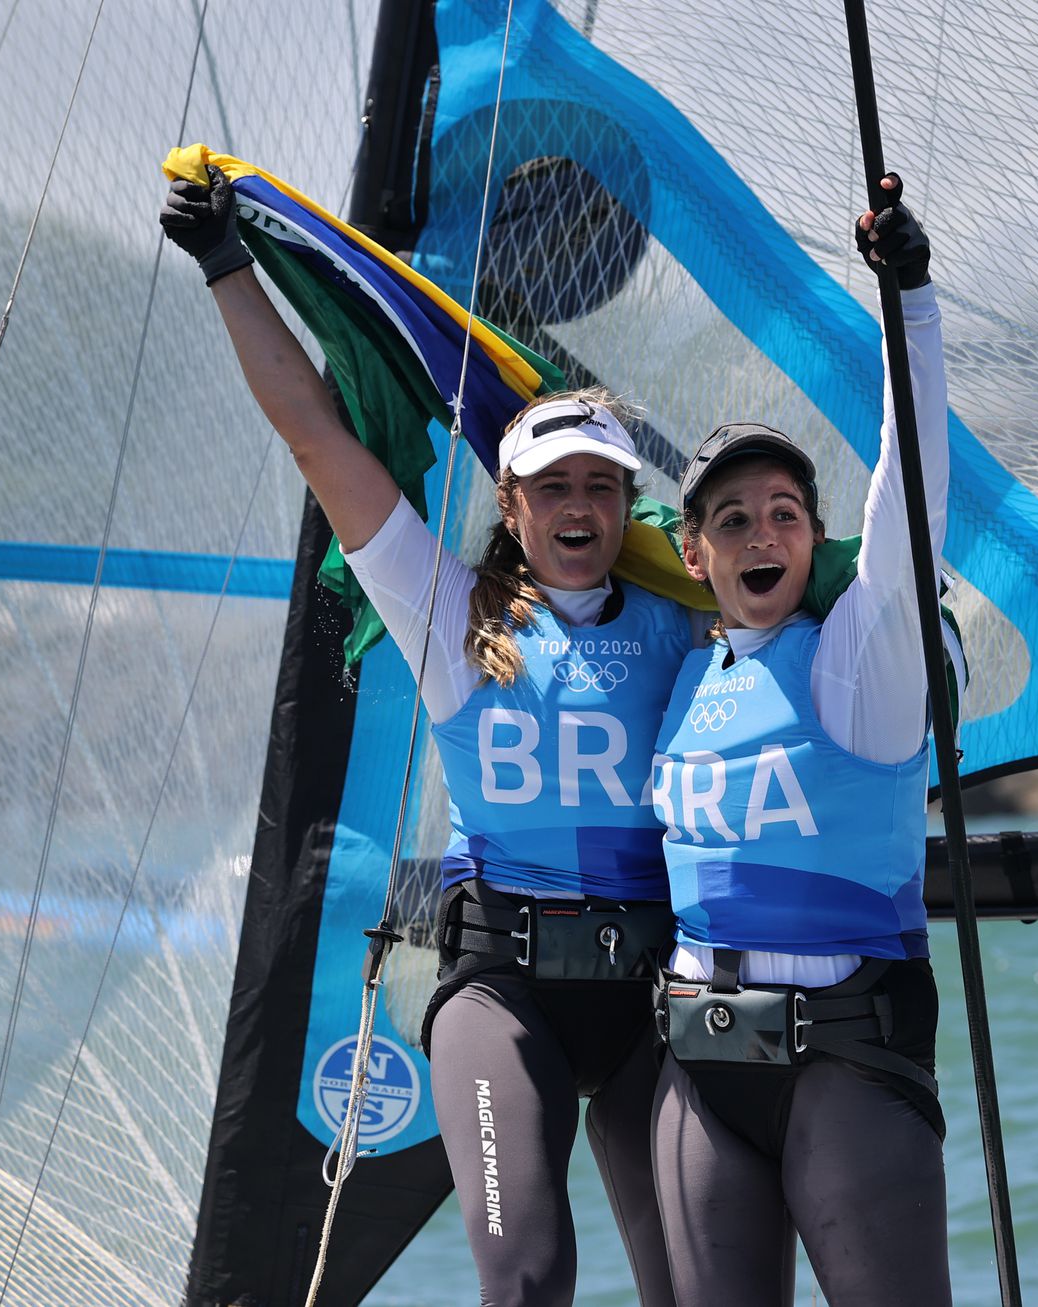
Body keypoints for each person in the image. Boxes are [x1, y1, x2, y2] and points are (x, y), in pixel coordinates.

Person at [161, 170, 684, 1307]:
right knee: (529, 1278)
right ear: (512, 503)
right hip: (500, 990)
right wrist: (226, 269)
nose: (580, 504)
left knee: (701, 1286)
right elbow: (314, 435)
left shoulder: (690, 621)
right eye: (554, 486)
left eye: (603, 483)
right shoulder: (450, 611)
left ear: (629, 503)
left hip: (656, 992)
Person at [647, 173, 954, 1306]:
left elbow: (910, 500)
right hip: (697, 1067)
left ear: (811, 535)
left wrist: (908, 304)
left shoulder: (858, 666)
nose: (760, 532)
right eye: (731, 519)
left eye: (783, 512)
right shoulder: (681, 674)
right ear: (696, 555)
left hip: (845, 1063)